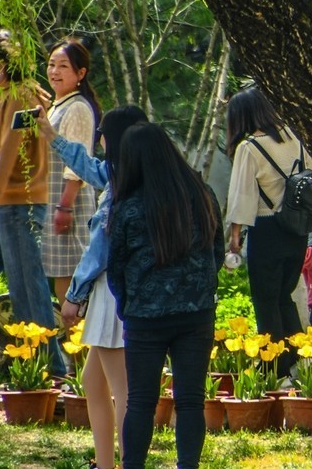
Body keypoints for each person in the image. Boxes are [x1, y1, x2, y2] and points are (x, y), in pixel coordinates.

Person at [35, 103, 147, 469]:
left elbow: (99, 249)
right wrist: (52, 137)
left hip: (110, 295)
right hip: (117, 293)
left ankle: (127, 462)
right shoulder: (134, 175)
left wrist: (74, 295)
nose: (98, 139)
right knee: (93, 381)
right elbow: (90, 168)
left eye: (103, 134)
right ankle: (105, 463)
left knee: (121, 389)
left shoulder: (122, 188)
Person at [107, 122, 222, 469]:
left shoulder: (128, 207)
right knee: (191, 401)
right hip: (196, 312)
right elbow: (214, 249)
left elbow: (116, 266)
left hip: (145, 316)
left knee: (140, 401)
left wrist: (127, 304)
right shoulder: (201, 195)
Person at [0, 28, 67, 376]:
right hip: (3, 208)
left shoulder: (23, 94)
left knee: (28, 286)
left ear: (3, 59)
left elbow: (8, 153)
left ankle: (51, 367)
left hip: (19, 204)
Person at [225, 86, 312, 375]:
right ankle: (293, 360)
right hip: (297, 228)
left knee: (265, 299)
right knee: (284, 295)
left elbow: (242, 195)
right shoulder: (295, 139)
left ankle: (272, 366)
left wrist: (235, 235)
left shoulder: (249, 148)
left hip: (267, 229)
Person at [42, 38, 102, 310]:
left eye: (63, 66)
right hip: (54, 198)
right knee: (59, 271)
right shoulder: (57, 105)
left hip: (68, 201)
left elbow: (77, 163)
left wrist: (64, 206)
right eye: (52, 64)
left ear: (80, 73)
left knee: (69, 270)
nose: (55, 71)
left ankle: (77, 342)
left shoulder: (77, 107)